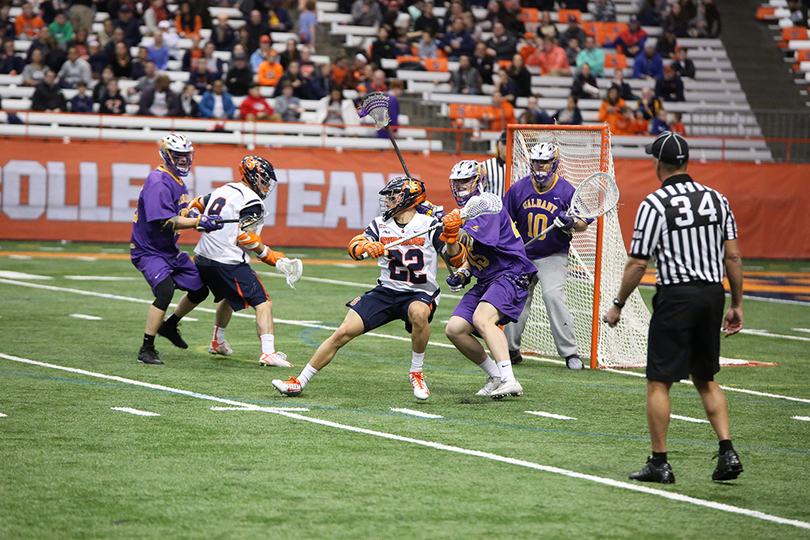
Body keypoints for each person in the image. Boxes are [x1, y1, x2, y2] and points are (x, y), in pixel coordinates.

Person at [604, 131, 744, 484]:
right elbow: (733, 255)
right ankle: (727, 450)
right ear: (685, 162)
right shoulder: (718, 199)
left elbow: (637, 263)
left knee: (659, 381)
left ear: (658, 163)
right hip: (713, 294)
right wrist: (737, 303)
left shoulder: (654, 203)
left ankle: (660, 461)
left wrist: (619, 304)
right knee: (706, 378)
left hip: (677, 296)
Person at [272, 177, 446, 400]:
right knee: (343, 331)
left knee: (419, 314)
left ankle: (416, 372)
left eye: (393, 197)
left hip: (419, 292)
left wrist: (449, 235)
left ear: (408, 199)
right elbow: (354, 248)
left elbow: (456, 257)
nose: (389, 202)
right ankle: (299, 381)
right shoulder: (380, 224)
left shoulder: (429, 225)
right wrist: (367, 246)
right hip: (386, 291)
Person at [190, 155, 298, 367]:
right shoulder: (252, 200)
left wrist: (195, 221)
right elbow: (245, 237)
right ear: (252, 176)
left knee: (229, 297)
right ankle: (268, 352)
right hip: (226, 259)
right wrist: (269, 255)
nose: (267, 185)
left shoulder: (223, 189)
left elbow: (192, 206)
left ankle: (217, 342)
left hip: (203, 256)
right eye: (264, 179)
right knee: (263, 302)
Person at [443, 160, 537, 398]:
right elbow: (457, 256)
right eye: (457, 182)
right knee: (454, 329)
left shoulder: (489, 203)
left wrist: (458, 224)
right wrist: (455, 245)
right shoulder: (464, 212)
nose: (461, 186)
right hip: (486, 279)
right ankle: (496, 375)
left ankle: (510, 379)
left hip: (511, 273)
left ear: (478, 180)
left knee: (482, 318)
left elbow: (485, 241)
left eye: (465, 180)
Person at [130, 134, 223, 365]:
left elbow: (181, 213)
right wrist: (199, 223)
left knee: (200, 290)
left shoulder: (175, 180)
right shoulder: (159, 180)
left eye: (186, 155)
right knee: (165, 291)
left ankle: (169, 325)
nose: (183, 160)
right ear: (166, 154)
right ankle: (146, 348)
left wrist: (202, 217)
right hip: (149, 250)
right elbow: (164, 220)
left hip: (169, 249)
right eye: (178, 155)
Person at [502, 142, 589, 369]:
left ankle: (570, 353)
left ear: (554, 163)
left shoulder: (566, 190)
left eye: (545, 162)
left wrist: (570, 223)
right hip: (522, 255)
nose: (540, 167)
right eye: (536, 162)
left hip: (553, 254)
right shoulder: (518, 189)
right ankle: (510, 349)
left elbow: (583, 223)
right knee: (514, 298)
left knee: (553, 296)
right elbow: (503, 219)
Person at [481, 130, 507, 198]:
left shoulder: (523, 167)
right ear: (498, 145)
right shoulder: (486, 166)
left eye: (512, 143)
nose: (508, 147)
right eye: (505, 143)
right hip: (492, 207)